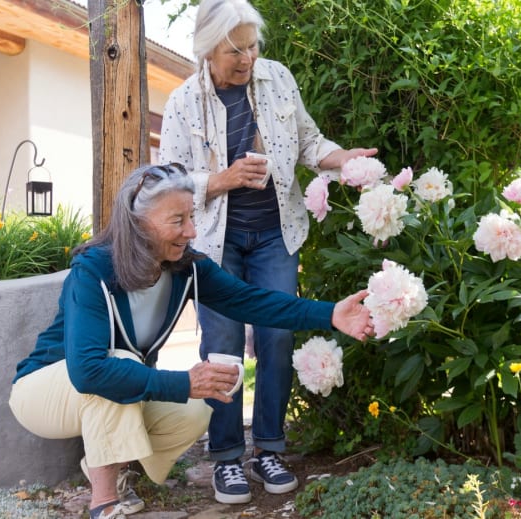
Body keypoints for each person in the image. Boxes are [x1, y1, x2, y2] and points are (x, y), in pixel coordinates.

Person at [8, 163, 374, 519]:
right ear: (139, 222)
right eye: (177, 220)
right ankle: (105, 503)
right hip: (43, 391)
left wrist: (330, 314)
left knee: (196, 410)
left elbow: (252, 301)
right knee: (118, 366)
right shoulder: (93, 271)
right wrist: (184, 382)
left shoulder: (187, 268)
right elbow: (89, 371)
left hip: (102, 384)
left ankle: (107, 463)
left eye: (191, 217)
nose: (192, 231)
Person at [158, 0, 378, 505]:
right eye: (235, 51)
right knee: (223, 343)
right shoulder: (183, 102)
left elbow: (308, 141)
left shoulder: (277, 78)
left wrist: (340, 158)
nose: (247, 58)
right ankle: (226, 457)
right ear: (207, 49)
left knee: (278, 336)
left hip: (277, 234)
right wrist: (223, 179)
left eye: (252, 46)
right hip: (216, 242)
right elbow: (168, 180)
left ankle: (270, 450)